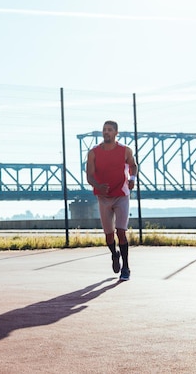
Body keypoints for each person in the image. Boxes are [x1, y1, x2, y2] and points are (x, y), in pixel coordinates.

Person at [86, 120, 137, 282]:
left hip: (122, 195)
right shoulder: (93, 152)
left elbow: (133, 165)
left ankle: (126, 268)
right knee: (109, 236)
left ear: (116, 133)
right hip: (103, 197)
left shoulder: (125, 150)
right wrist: (98, 186)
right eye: (104, 130)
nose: (106, 132)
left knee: (121, 231)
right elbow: (89, 175)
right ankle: (115, 255)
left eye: (109, 130)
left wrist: (133, 178)